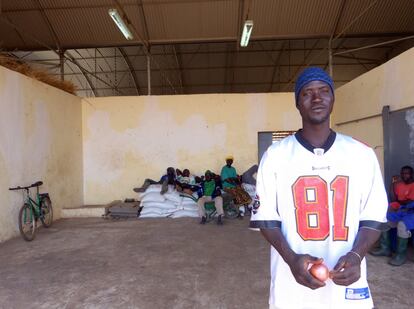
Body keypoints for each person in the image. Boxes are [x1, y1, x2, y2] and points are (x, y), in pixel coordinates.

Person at [249, 67, 388, 309]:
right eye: (307, 93)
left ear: (333, 98)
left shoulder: (361, 154)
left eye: (324, 91)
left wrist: (357, 256)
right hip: (291, 285)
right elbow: (266, 219)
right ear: (297, 103)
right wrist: (291, 259)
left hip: (347, 286)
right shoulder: (276, 155)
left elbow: (373, 217)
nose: (316, 98)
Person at [370, 165, 414, 266]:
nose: (404, 176)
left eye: (407, 173)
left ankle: (400, 255)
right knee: (385, 219)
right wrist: (393, 184)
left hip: (411, 212)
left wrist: (400, 205)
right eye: (402, 173)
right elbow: (393, 199)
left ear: (412, 174)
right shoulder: (399, 185)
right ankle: (385, 248)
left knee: (402, 225)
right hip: (402, 210)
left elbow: (409, 202)